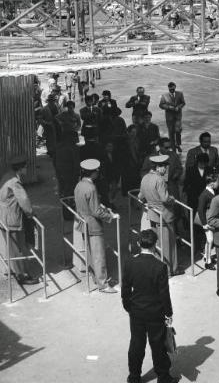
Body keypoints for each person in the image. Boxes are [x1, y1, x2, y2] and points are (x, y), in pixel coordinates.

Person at [121, 229, 178, 383]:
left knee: (136, 344)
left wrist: (129, 307)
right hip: (155, 312)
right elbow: (164, 294)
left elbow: (125, 289)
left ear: (139, 244)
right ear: (155, 244)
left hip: (137, 312)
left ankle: (134, 377)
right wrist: (168, 313)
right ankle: (163, 377)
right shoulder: (160, 266)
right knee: (158, 345)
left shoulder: (130, 263)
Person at [73, 158, 119, 293]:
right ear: (93, 173)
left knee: (90, 253)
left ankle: (95, 278)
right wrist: (110, 216)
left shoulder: (79, 185)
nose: (98, 173)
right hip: (93, 225)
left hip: (83, 222)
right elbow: (96, 211)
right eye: (97, 171)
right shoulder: (91, 187)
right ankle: (103, 284)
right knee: (98, 255)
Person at [139, 155, 183, 277]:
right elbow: (164, 198)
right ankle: (170, 270)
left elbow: (140, 196)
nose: (165, 169)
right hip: (165, 215)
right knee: (169, 244)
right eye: (164, 167)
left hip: (153, 214)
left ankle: (159, 266)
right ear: (158, 167)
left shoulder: (145, 178)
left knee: (157, 242)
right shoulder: (160, 180)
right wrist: (172, 199)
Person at [0, 155, 39, 285]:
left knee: (10, 246)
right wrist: (31, 214)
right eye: (25, 167)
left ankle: (13, 269)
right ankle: (22, 275)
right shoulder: (15, 182)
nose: (27, 169)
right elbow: (24, 201)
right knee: (17, 247)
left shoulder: (7, 176)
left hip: (4, 216)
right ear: (21, 168)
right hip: (12, 218)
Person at [196, 173, 219, 270]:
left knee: (209, 239)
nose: (218, 183)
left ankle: (206, 255)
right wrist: (204, 224)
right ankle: (208, 261)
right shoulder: (204, 194)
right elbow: (200, 209)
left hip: (210, 218)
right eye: (217, 182)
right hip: (207, 220)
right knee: (210, 240)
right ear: (212, 183)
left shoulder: (211, 191)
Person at [159, 82, 185, 152]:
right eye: (170, 89)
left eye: (173, 89)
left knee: (178, 131)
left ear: (175, 87)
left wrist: (179, 107)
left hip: (178, 117)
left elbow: (183, 103)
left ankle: (178, 145)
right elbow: (161, 105)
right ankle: (173, 148)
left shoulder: (180, 94)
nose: (172, 90)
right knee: (171, 132)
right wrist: (168, 107)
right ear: (168, 88)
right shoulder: (164, 96)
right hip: (169, 118)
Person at [41, 94, 60, 162]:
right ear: (48, 101)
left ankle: (55, 151)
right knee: (49, 140)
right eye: (51, 101)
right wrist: (47, 123)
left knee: (56, 139)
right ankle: (50, 152)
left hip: (56, 126)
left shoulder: (56, 107)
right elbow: (40, 119)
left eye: (53, 101)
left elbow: (58, 116)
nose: (52, 102)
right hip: (48, 128)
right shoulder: (44, 109)